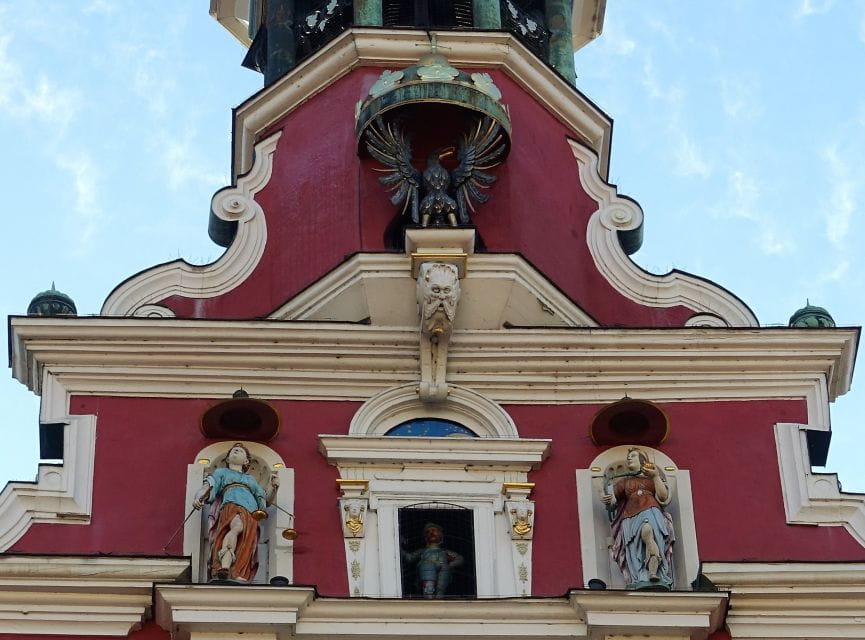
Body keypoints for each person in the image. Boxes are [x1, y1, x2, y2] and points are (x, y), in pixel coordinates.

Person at [192, 443, 278, 582]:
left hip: (251, 513)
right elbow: (210, 485)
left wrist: (274, 487)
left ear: (246, 461)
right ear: (227, 459)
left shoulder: (251, 480)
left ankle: (237, 571)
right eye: (233, 451)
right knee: (237, 527)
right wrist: (198, 497)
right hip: (231, 506)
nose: (236, 451)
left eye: (240, 451)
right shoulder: (222, 473)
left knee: (246, 543)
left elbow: (264, 500)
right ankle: (224, 564)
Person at [600, 447, 675, 590]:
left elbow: (663, 496)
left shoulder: (651, 478)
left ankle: (654, 571)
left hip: (651, 510)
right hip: (629, 516)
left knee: (648, 532)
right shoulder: (625, 481)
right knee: (633, 547)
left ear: (643, 460)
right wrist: (607, 498)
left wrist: (656, 476)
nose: (629, 458)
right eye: (629, 456)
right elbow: (612, 501)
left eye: (633, 455)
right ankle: (640, 576)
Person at [401, 522, 464, 598]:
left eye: (434, 530)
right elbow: (409, 558)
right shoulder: (423, 551)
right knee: (428, 587)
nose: (431, 533)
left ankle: (439, 600)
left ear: (440, 535)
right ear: (425, 537)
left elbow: (460, 559)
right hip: (427, 567)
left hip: (443, 568)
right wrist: (399, 548)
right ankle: (429, 599)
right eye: (428, 532)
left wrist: (450, 564)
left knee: (440, 588)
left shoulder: (445, 552)